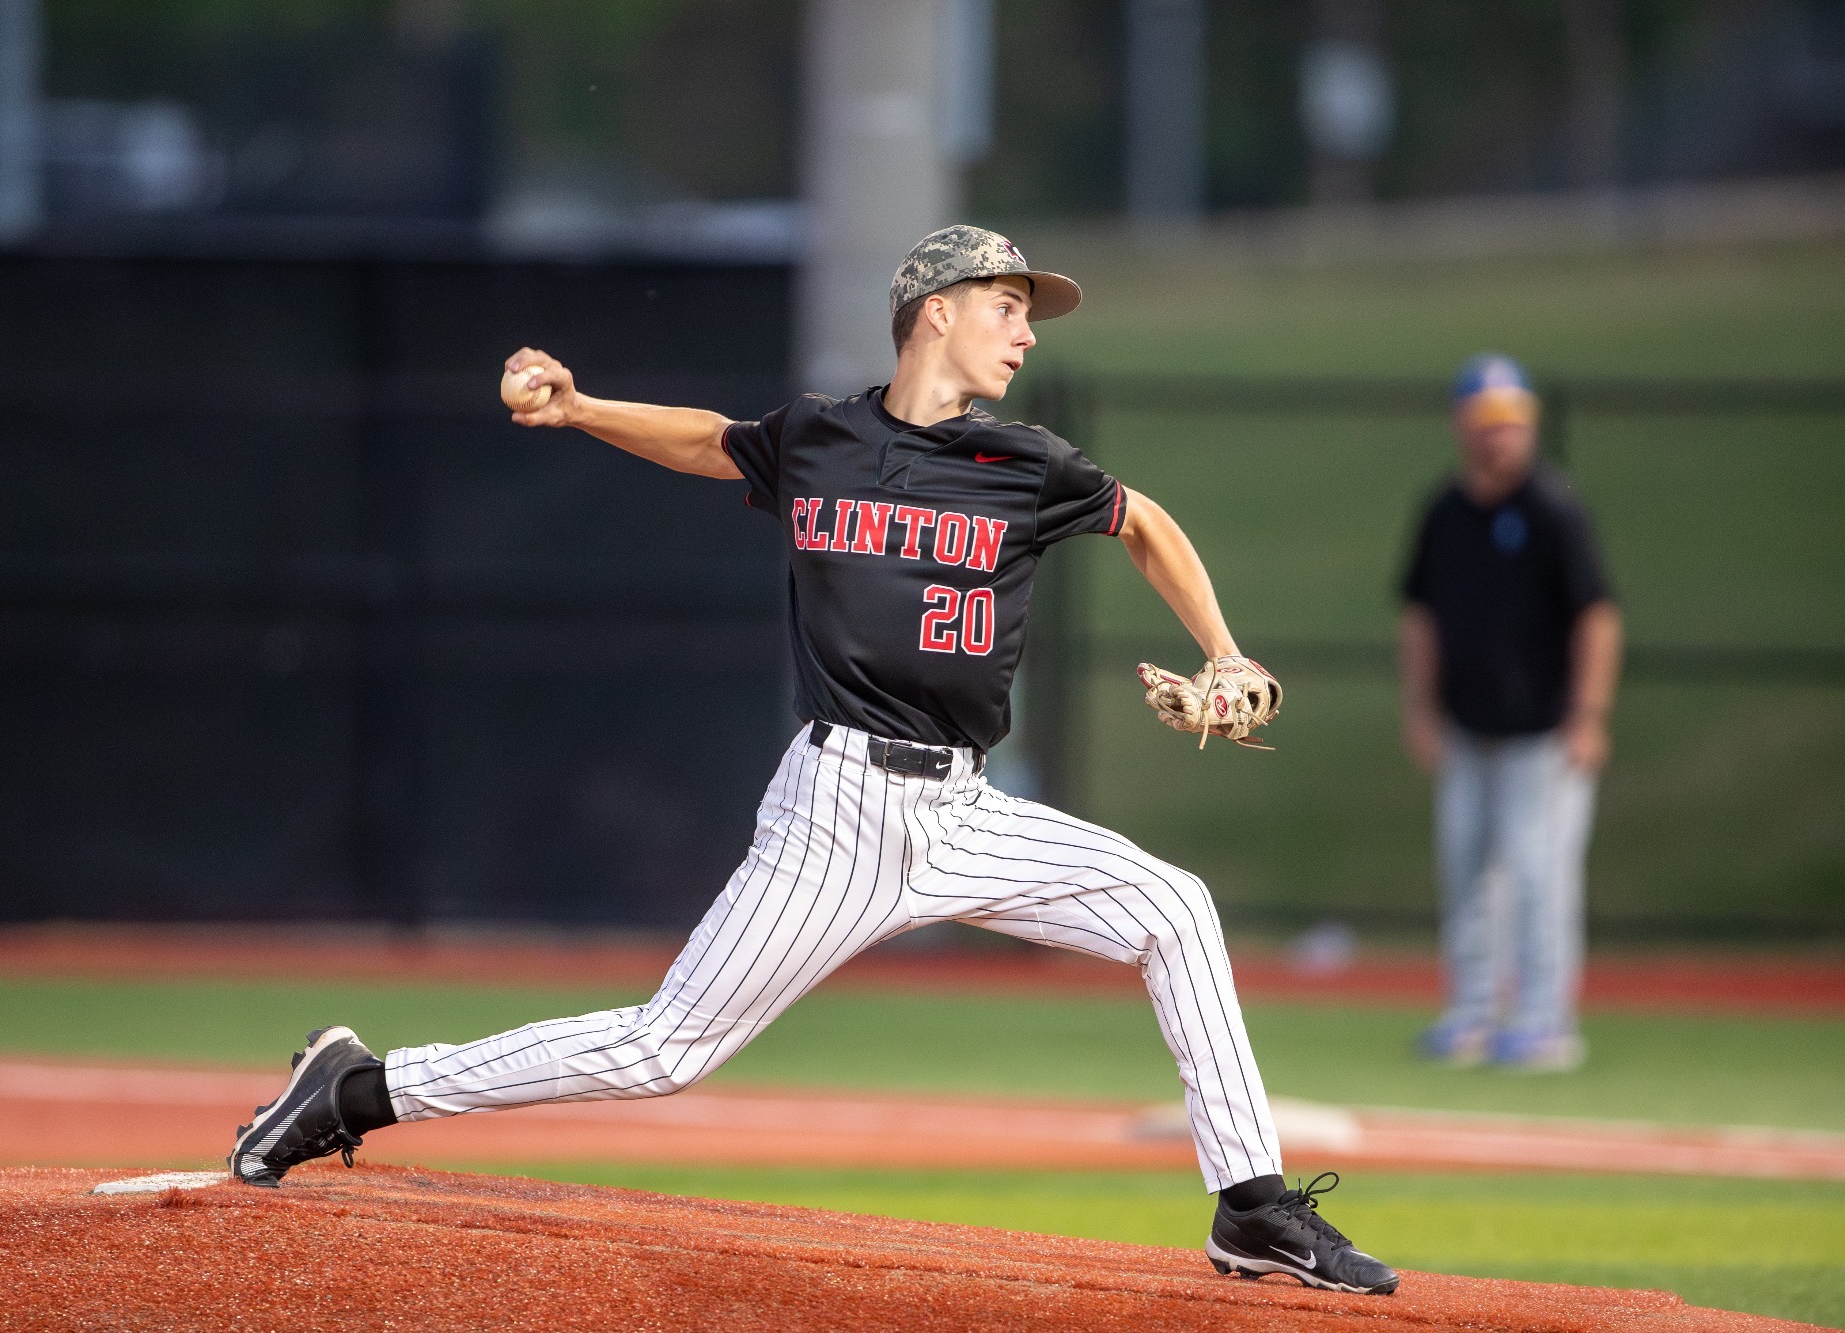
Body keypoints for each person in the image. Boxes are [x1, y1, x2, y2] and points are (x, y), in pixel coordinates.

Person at [228, 225, 1399, 1296]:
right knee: (662, 1051)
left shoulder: (1022, 461)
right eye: (1006, 304)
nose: (1026, 330)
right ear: (934, 309)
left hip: (966, 810)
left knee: (1173, 909)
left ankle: (1248, 1206)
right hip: (835, 812)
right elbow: (709, 442)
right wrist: (582, 408)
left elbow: (1142, 520)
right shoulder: (820, 436)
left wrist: (1226, 649)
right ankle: (358, 1089)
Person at [1400, 354, 1623, 1072]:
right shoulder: (1446, 509)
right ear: (1464, 426)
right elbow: (1421, 614)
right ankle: (1471, 1013)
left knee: (1538, 872)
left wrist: (1589, 714)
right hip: (1469, 725)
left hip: (1543, 730)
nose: (1502, 436)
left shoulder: (1553, 506)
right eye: (1488, 421)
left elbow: (1596, 616)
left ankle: (1543, 1019)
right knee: (1465, 867)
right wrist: (1421, 707)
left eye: (1514, 421)